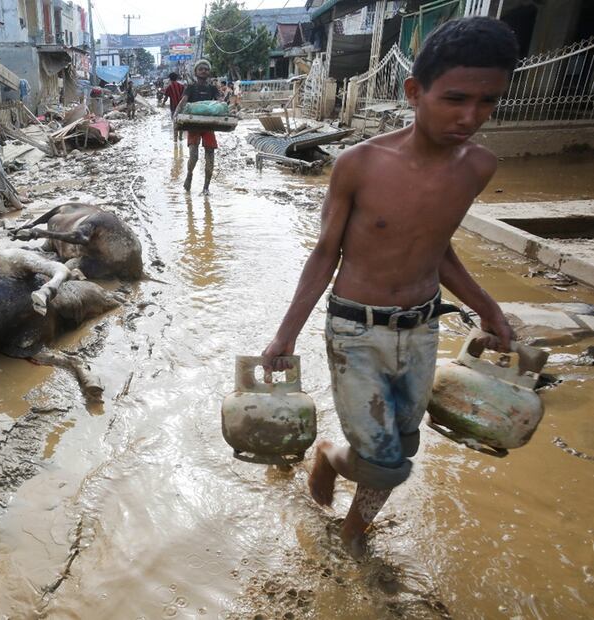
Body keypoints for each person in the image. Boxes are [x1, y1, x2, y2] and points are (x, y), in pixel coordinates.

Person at [260, 17, 519, 556]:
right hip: (355, 329)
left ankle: (348, 500)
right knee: (383, 461)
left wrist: (488, 308)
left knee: (403, 445)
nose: (471, 117)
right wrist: (285, 336)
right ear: (414, 91)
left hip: (422, 327)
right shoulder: (360, 164)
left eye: (488, 101)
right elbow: (325, 253)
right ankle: (339, 485)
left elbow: (438, 248)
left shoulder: (478, 166)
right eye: (455, 99)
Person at [174, 59, 221, 194]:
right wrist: (176, 115)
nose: (203, 71)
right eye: (201, 69)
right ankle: (189, 174)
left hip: (208, 126)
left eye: (206, 69)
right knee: (193, 156)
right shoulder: (190, 87)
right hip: (193, 125)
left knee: (210, 156)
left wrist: (229, 109)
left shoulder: (212, 88)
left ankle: (206, 187)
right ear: (196, 72)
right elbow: (183, 101)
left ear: (209, 72)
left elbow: (220, 101)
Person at [161, 71, 186, 142]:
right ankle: (180, 137)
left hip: (173, 107)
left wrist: (163, 103)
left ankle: (175, 139)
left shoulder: (169, 87)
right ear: (176, 78)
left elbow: (166, 97)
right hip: (181, 107)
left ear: (170, 79)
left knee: (175, 122)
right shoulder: (181, 86)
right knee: (181, 122)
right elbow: (185, 97)